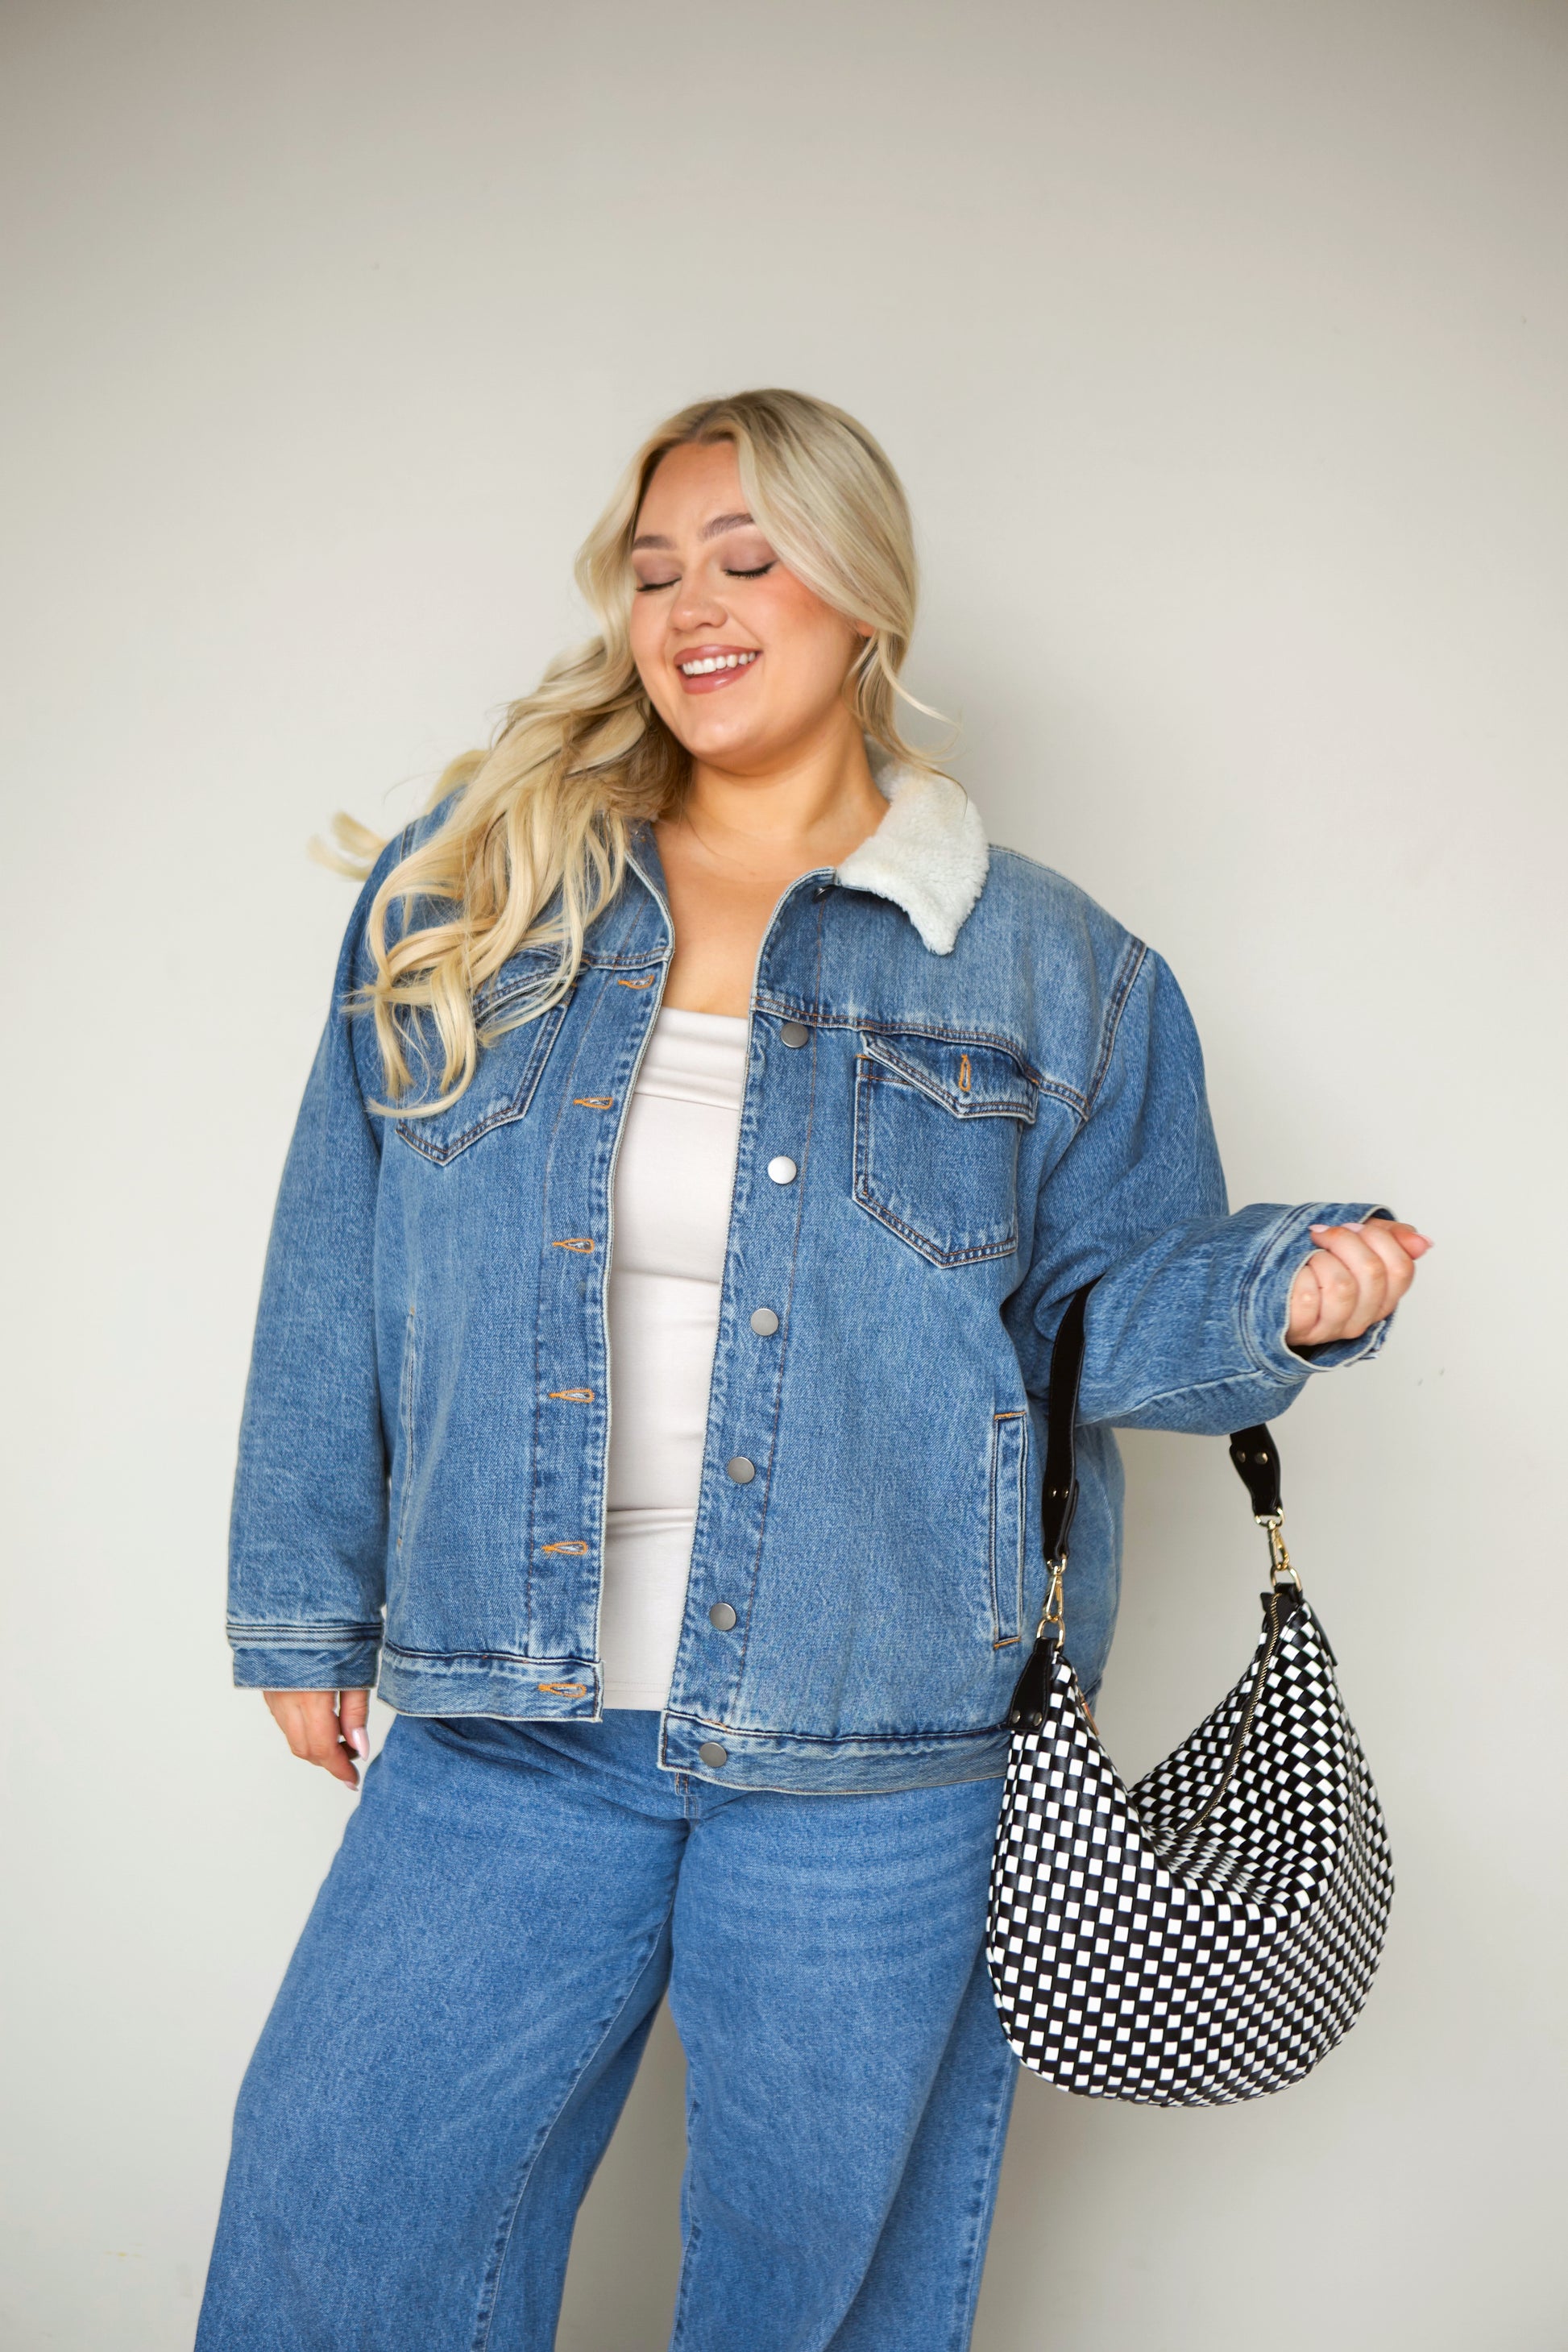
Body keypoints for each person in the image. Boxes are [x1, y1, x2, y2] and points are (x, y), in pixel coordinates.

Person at [197, 389, 1428, 2351]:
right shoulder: (480, 883)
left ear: (865, 599)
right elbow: (333, 1245)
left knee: (813, 2306)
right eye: (659, 567)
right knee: (340, 2218)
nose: (694, 605)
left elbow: (1095, 1326)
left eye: (750, 560)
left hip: (889, 1743)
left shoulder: (1054, 970)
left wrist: (1279, 1301)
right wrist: (299, 1595)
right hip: (514, 1715)